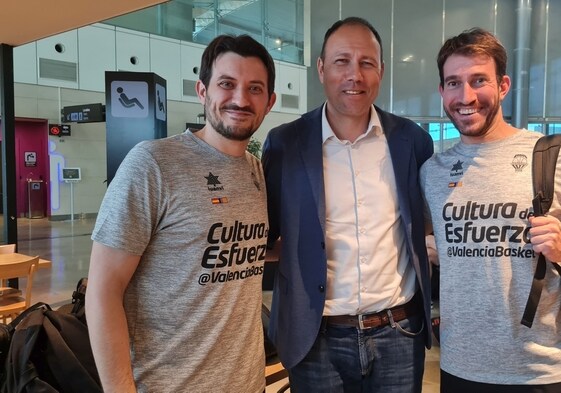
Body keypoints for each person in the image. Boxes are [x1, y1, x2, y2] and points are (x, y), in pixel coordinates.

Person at [86, 34, 276, 393]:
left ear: (270, 102)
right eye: (227, 84)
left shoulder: (258, 172)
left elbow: (237, 250)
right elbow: (103, 289)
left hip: (249, 383)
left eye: (254, 88)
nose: (240, 98)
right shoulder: (153, 164)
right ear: (202, 90)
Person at [262, 17, 434, 392]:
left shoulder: (412, 142)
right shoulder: (284, 144)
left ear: (381, 71)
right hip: (315, 337)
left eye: (366, 63)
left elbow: (425, 222)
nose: (354, 74)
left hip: (398, 333)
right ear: (322, 69)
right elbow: (268, 234)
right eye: (342, 62)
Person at [420, 27, 561, 393]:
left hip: (539, 369)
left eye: (478, 80)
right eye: (453, 83)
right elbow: (432, 245)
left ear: (503, 85)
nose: (465, 96)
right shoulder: (432, 173)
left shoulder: (550, 157)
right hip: (460, 366)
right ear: (442, 92)